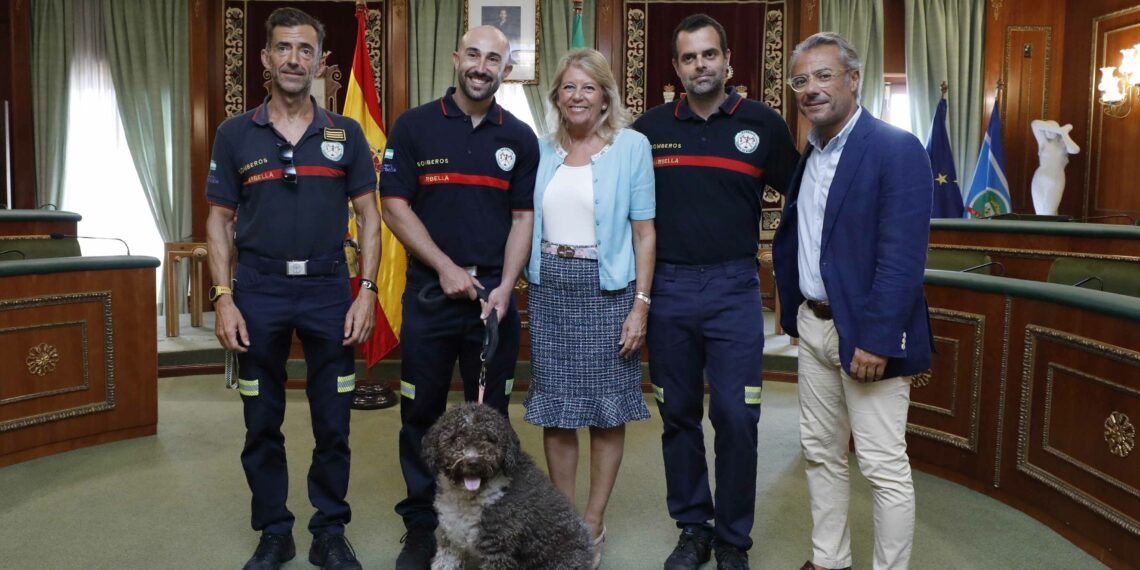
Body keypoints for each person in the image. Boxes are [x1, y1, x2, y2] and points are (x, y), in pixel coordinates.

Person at [205, 7, 378, 570]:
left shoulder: (345, 133)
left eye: (305, 50)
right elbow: (217, 219)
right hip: (258, 291)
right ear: (265, 58)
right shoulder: (235, 133)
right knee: (262, 420)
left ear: (320, 62)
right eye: (283, 48)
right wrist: (223, 296)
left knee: (334, 420)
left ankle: (329, 529)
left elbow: (371, 218)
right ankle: (274, 530)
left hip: (331, 288)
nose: (294, 59)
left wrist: (368, 290)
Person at [631, 13, 799, 570]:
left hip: (734, 288)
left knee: (736, 415)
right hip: (669, 290)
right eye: (688, 57)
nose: (699, 65)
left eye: (709, 55)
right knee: (677, 414)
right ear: (675, 67)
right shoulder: (649, 130)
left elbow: (804, 197)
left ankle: (732, 538)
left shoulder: (763, 124)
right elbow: (625, 211)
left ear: (728, 60)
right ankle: (693, 528)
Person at [378, 25, 538, 570]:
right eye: (473, 54)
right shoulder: (415, 126)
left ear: (505, 69)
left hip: (493, 302)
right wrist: (445, 267)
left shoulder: (519, 136)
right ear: (456, 58)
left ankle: (489, 525)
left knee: (490, 419)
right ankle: (424, 525)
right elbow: (394, 205)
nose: (482, 65)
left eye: (494, 58)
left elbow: (523, 218)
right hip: (430, 296)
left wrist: (505, 287)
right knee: (420, 411)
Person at [772, 32, 934, 570]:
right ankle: (830, 561)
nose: (811, 89)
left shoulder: (895, 147)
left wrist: (878, 338)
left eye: (824, 76)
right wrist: (793, 312)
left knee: (883, 466)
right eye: (801, 80)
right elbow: (806, 240)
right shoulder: (811, 152)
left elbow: (902, 257)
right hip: (813, 327)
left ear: (854, 79)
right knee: (821, 455)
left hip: (866, 334)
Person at [523, 48, 656, 570]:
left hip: (608, 292)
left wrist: (640, 305)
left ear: (605, 95)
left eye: (588, 87)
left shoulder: (631, 147)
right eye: (568, 88)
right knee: (556, 413)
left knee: (604, 412)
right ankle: (562, 522)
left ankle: (593, 522)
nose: (577, 96)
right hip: (551, 290)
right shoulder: (541, 150)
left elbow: (645, 233)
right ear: (556, 96)